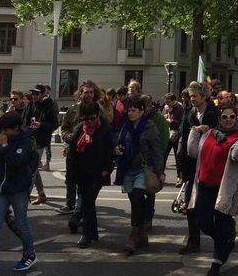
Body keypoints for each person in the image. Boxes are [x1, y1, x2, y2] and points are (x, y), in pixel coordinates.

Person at [186, 104, 238, 276]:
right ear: (219, 119)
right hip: (205, 185)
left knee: (222, 223)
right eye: (224, 117)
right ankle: (225, 242)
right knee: (202, 221)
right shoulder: (208, 134)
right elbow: (192, 152)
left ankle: (216, 262)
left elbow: (237, 156)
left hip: (225, 188)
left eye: (232, 117)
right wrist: (195, 131)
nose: (228, 120)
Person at [114, 97, 165, 254]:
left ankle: (134, 234)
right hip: (128, 168)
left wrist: (159, 171)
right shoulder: (126, 127)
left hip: (144, 169)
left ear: (142, 112)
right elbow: (119, 144)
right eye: (129, 110)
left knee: (137, 198)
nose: (130, 113)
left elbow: (157, 151)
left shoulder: (149, 127)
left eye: (134, 110)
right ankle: (141, 232)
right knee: (134, 201)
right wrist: (116, 151)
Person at [177, 82, 219, 254]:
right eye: (190, 96)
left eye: (195, 95)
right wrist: (181, 167)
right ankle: (194, 241)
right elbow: (183, 137)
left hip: (209, 164)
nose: (192, 99)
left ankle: (224, 235)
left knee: (211, 207)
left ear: (204, 96)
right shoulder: (189, 113)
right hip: (191, 164)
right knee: (189, 206)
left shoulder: (214, 113)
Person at [66, 101, 114, 248]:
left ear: (98, 116)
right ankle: (92, 232)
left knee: (88, 202)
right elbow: (73, 152)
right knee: (88, 203)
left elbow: (109, 151)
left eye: (92, 118)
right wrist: (71, 174)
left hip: (98, 172)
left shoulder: (105, 130)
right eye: (86, 118)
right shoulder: (79, 129)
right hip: (82, 172)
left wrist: (107, 169)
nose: (89, 121)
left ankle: (87, 234)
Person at [0, 112, 38, 271]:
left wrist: (5, 146)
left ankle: (29, 254)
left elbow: (15, 162)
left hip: (18, 189)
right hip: (1, 188)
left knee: (21, 223)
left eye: (6, 130)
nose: (3, 133)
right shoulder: (1, 135)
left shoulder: (26, 142)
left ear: (16, 128)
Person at [22, 84, 59, 205]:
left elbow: (55, 124)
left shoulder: (49, 105)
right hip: (29, 139)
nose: (34, 96)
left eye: (37, 94)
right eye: (33, 93)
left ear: (43, 94)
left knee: (31, 170)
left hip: (40, 142)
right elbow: (25, 121)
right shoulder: (31, 104)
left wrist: (41, 125)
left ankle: (24, 197)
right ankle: (41, 193)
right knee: (33, 168)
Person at [142, 95, 170, 231]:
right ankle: (140, 218)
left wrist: (158, 161)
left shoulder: (158, 119)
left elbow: (164, 141)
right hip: (139, 161)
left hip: (152, 161)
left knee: (150, 190)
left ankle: (147, 218)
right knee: (137, 192)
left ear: (149, 106)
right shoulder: (137, 117)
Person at [163, 93, 184, 187]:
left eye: (168, 101)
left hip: (176, 135)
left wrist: (168, 120)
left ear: (173, 100)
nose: (167, 103)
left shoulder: (179, 109)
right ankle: (160, 175)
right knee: (164, 155)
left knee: (178, 156)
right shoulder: (168, 108)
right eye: (166, 101)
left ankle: (180, 177)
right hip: (168, 134)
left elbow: (176, 123)